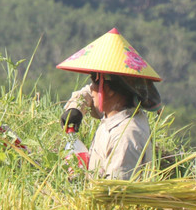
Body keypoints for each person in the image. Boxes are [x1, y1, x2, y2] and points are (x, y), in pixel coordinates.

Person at [57, 28, 162, 180]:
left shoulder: (126, 136)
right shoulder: (116, 112)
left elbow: (115, 191)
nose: (91, 88)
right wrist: (75, 108)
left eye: (94, 82)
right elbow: (88, 93)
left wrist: (81, 179)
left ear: (109, 90)